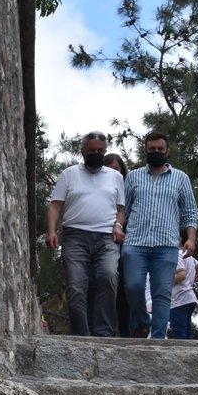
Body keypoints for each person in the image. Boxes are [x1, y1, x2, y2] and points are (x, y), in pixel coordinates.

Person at [47, 132, 125, 337]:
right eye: (91, 150)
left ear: (105, 151)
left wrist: (118, 225)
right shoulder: (69, 174)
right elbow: (55, 205)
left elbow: (121, 209)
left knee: (108, 276)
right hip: (75, 236)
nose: (96, 153)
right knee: (76, 286)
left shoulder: (116, 177)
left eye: (100, 150)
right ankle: (81, 335)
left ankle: (104, 332)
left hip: (106, 237)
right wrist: (51, 230)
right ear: (82, 151)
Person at [123, 132, 198, 339]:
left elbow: (190, 211)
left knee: (162, 293)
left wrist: (191, 238)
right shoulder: (133, 177)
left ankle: (157, 339)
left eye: (159, 149)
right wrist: (118, 227)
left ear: (167, 151)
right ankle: (143, 320)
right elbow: (124, 210)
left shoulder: (181, 178)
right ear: (145, 150)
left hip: (166, 244)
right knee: (133, 286)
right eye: (152, 149)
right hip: (135, 242)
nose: (156, 152)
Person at [102, 153, 142, 338]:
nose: (113, 172)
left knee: (125, 289)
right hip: (102, 240)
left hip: (126, 242)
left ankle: (126, 331)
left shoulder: (129, 192)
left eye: (116, 169)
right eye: (109, 168)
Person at [169, 243, 198, 339]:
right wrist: (189, 281)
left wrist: (164, 282)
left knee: (179, 334)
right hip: (190, 298)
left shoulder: (177, 254)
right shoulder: (191, 258)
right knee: (186, 332)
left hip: (178, 299)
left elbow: (181, 276)